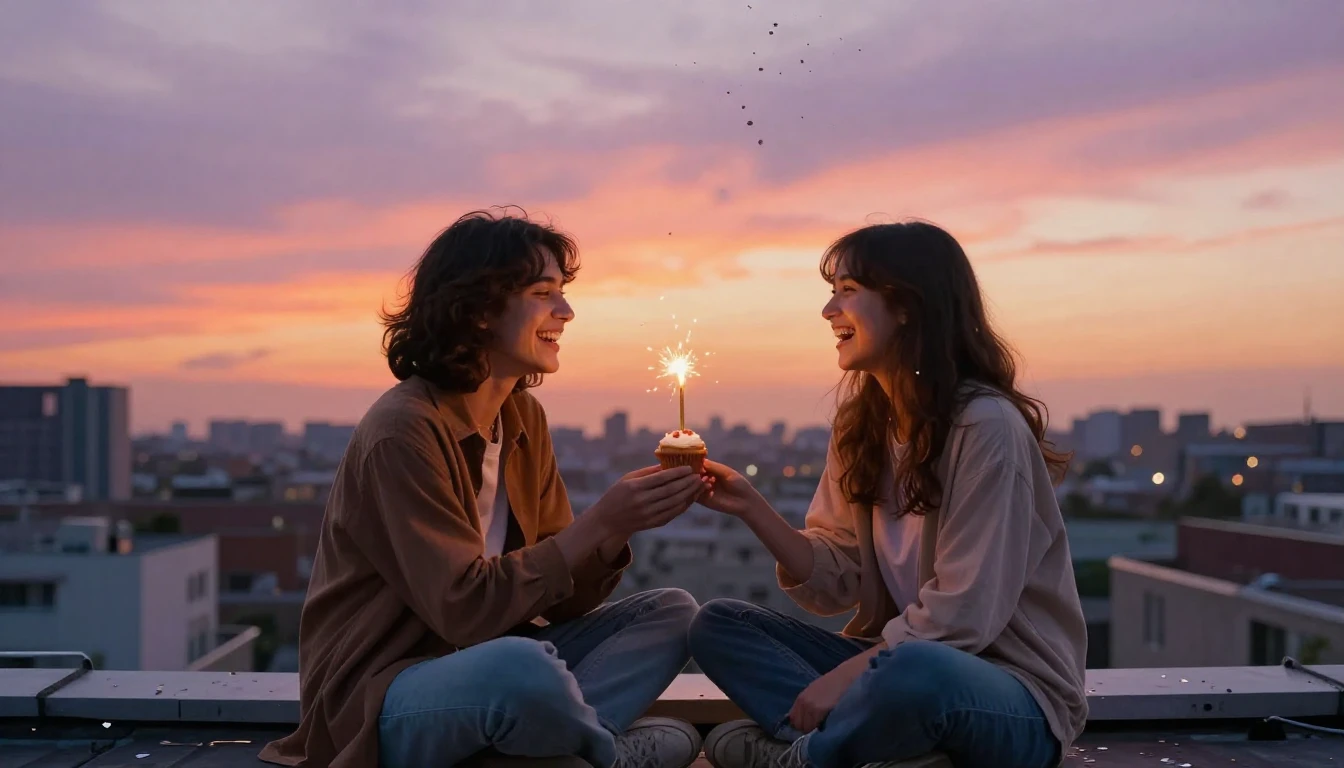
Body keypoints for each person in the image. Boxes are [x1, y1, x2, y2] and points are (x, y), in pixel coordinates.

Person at [259, 208, 711, 768]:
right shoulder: (403, 431)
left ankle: (535, 743)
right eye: (544, 293)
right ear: (477, 310)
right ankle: (601, 753)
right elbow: (463, 610)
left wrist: (614, 530)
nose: (566, 312)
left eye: (563, 293)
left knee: (672, 612)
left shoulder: (522, 418)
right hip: (386, 698)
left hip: (487, 666)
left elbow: (564, 601)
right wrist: (598, 520)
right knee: (520, 672)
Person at [688, 221, 1088, 768]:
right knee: (717, 625)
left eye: (848, 292)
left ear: (905, 306)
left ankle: (804, 757)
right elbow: (839, 583)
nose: (829, 312)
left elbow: (963, 618)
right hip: (892, 669)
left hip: (1009, 698)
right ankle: (869, 746)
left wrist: (849, 677)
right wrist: (752, 508)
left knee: (919, 673)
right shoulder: (864, 425)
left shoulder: (986, 427)